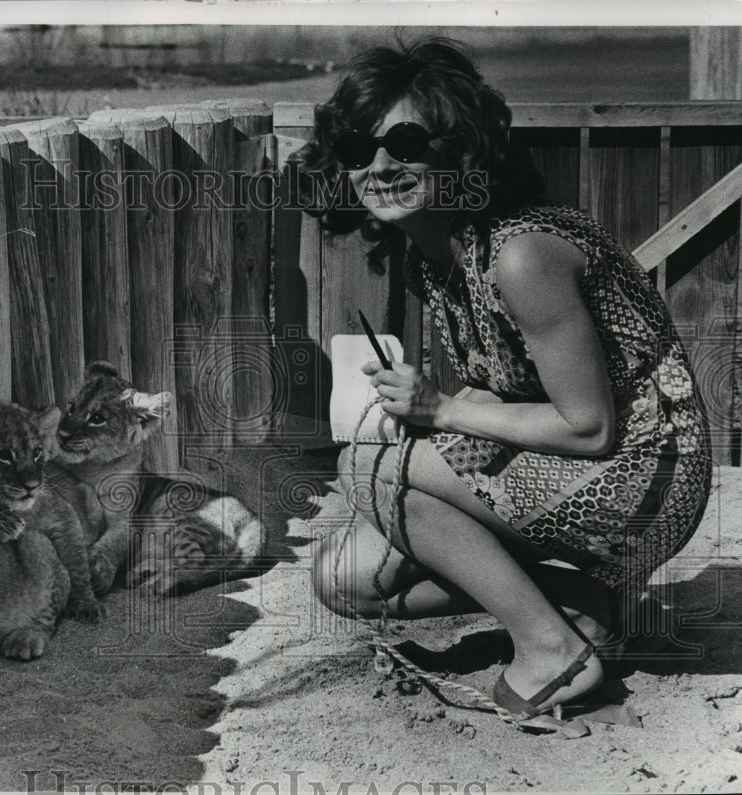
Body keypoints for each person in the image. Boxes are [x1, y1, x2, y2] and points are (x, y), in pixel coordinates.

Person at [304, 38, 712, 720]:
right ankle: (579, 603)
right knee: (344, 580)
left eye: (405, 142)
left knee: (368, 465)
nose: (378, 166)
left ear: (459, 151)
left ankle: (553, 648)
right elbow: (503, 390)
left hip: (648, 477)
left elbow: (589, 425)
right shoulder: (432, 259)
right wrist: (439, 422)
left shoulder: (521, 253)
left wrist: (439, 413)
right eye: (356, 150)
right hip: (569, 467)